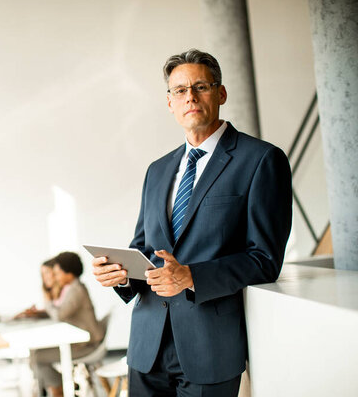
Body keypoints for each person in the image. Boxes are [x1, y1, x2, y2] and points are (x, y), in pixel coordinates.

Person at [91, 49, 292, 396]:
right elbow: (144, 249)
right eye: (180, 90)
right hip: (147, 348)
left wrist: (191, 276)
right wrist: (121, 276)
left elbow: (265, 259)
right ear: (169, 103)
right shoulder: (157, 170)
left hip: (209, 347)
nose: (190, 97)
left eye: (201, 86)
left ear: (221, 93)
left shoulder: (261, 160)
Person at [31, 252, 105, 397]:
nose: (56, 277)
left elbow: (59, 314)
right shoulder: (72, 288)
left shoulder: (75, 290)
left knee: (36, 357)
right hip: (82, 342)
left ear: (69, 274)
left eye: (57, 273)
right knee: (36, 355)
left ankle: (58, 389)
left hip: (87, 345)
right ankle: (56, 387)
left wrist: (47, 300)